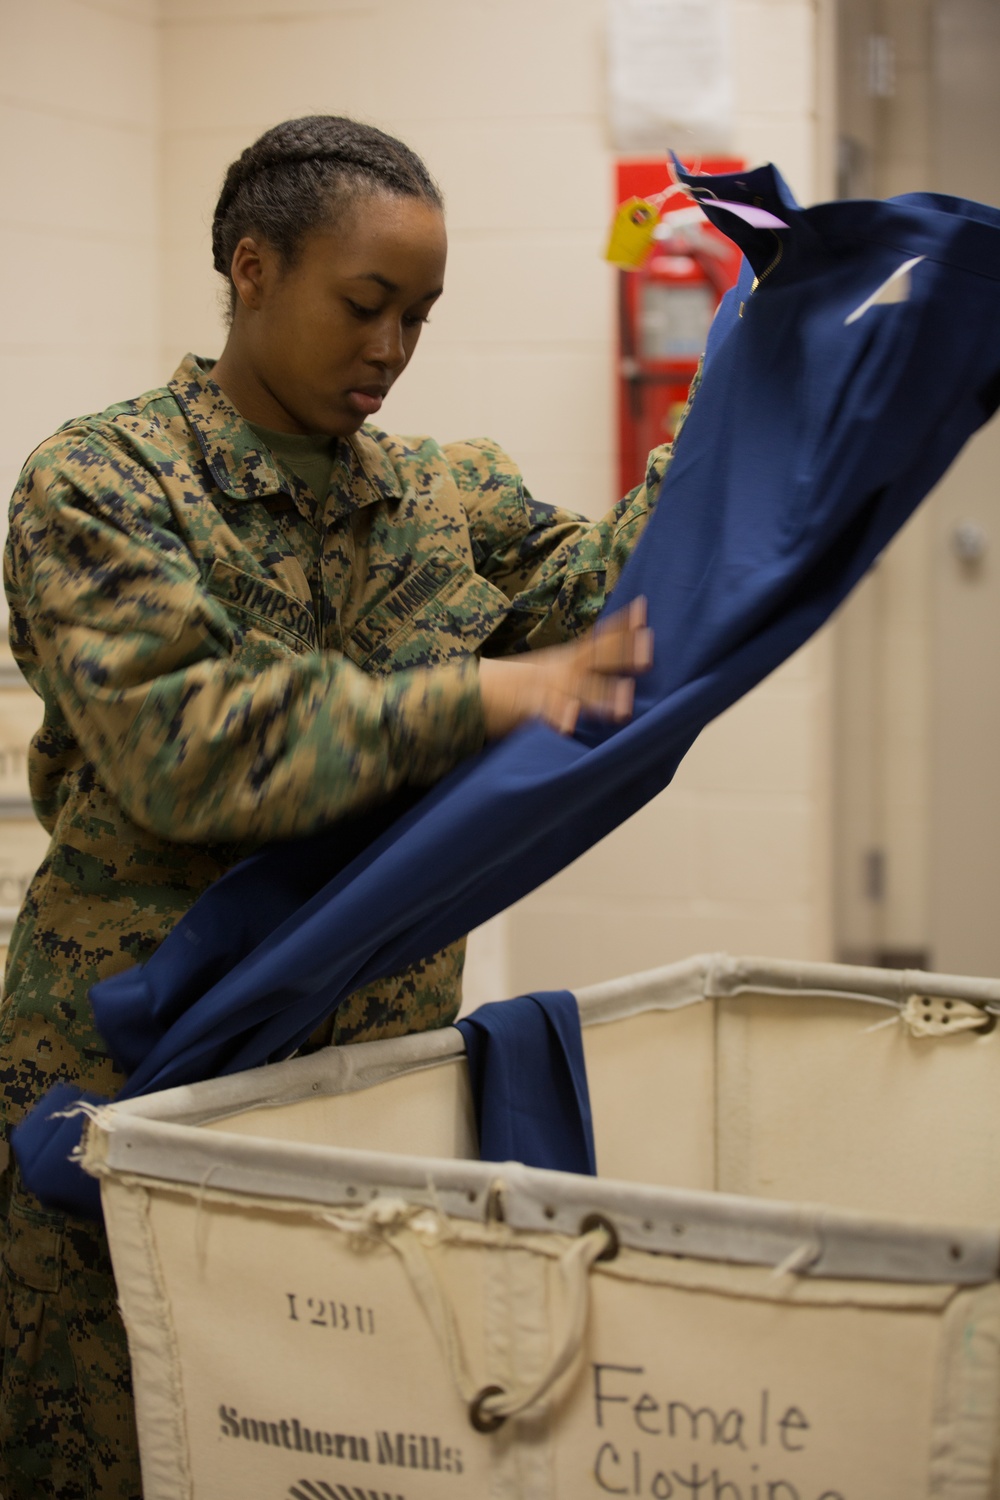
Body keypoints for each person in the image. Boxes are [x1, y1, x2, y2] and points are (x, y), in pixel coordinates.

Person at [0, 115, 681, 1498]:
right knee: (115, 1454)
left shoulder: (443, 495)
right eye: (364, 305)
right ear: (253, 267)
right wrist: (483, 695)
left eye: (419, 318)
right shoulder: (105, 485)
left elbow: (623, 598)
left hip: (365, 1093)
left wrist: (738, 405)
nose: (391, 350)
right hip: (139, 1094)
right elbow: (191, 748)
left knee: (347, 1451)